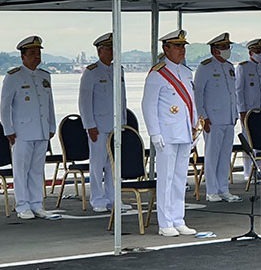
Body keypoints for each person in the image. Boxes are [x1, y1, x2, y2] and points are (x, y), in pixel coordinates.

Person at [142, 29, 198, 236]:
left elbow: (191, 103)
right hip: (166, 134)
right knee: (165, 179)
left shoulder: (186, 72)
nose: (181, 50)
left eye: (183, 46)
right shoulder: (158, 74)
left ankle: (178, 218)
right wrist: (154, 134)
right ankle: (165, 222)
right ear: (166, 48)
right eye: (177, 46)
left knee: (180, 179)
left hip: (184, 132)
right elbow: (148, 105)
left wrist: (194, 126)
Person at [1, 36, 60, 220]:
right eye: (33, 53)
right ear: (23, 56)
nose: (37, 56)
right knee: (21, 170)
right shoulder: (14, 77)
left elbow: (49, 104)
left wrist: (51, 125)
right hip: (22, 132)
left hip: (41, 130)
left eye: (39, 53)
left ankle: (36, 204)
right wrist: (8, 130)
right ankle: (22, 205)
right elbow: (4, 106)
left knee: (36, 170)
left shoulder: (44, 76)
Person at [78, 32, 130, 213]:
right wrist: (89, 125)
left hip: (116, 126)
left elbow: (122, 99)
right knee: (97, 164)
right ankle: (98, 199)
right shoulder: (92, 72)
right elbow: (84, 101)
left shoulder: (119, 70)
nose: (112, 52)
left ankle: (113, 198)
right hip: (98, 126)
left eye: (113, 48)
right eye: (108, 49)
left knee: (114, 166)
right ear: (100, 51)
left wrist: (123, 122)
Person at [194, 33, 241, 203]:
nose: (227, 50)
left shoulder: (229, 67)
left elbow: (232, 94)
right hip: (212, 119)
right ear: (214, 50)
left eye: (228, 47)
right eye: (223, 47)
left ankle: (224, 188)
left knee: (225, 155)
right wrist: (203, 117)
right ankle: (212, 190)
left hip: (228, 118)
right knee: (212, 156)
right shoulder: (205, 67)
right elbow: (198, 94)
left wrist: (234, 114)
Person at [236, 38, 261, 180]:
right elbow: (239, 91)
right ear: (250, 52)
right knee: (248, 142)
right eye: (257, 51)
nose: (260, 54)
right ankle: (247, 172)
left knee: (260, 142)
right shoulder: (243, 67)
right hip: (248, 111)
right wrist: (242, 110)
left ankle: (260, 170)